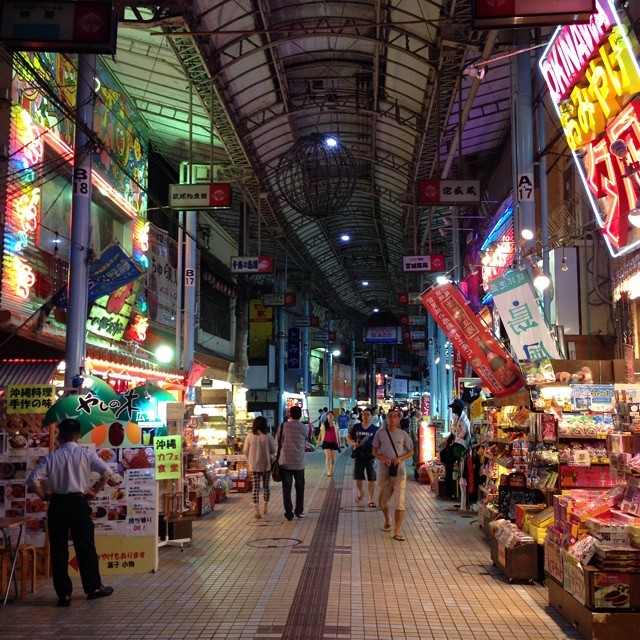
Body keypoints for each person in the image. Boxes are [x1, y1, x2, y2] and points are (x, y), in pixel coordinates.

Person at [26, 418, 114, 606]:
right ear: (79, 435)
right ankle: (93, 588)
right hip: (78, 503)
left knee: (58, 548)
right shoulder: (86, 454)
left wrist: (44, 497)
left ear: (59, 435)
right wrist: (94, 491)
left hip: (57, 504)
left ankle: (64, 594)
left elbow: (33, 481)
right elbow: (106, 472)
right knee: (85, 546)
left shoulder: (52, 456)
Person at [372, 408, 414, 541]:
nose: (392, 419)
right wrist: (382, 458)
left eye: (395, 416)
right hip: (384, 471)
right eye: (390, 416)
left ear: (399, 419)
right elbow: (374, 450)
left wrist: (400, 458)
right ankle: (387, 518)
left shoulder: (403, 434)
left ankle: (397, 530)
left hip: (400, 472)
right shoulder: (380, 433)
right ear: (386, 418)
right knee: (382, 502)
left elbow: (411, 451)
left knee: (399, 501)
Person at [276, 404, 308, 520]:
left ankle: (288, 513)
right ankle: (299, 511)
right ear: (300, 415)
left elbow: (278, 441)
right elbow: (305, 440)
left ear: (289, 414)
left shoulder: (283, 426)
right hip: (299, 462)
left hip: (285, 462)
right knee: (300, 488)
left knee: (286, 488)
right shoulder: (305, 427)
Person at [243, 415, 276, 519]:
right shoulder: (268, 436)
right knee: (266, 487)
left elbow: (245, 451)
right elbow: (273, 450)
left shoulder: (249, 437)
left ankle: (256, 509)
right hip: (266, 465)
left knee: (255, 488)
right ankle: (265, 506)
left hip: (254, 465)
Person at [346, 407, 379, 507]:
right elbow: (348, 436)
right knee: (358, 477)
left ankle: (370, 498)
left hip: (371, 455)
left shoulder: (375, 429)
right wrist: (353, 443)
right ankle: (360, 492)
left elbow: (380, 442)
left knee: (371, 478)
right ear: (361, 416)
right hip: (359, 454)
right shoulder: (356, 426)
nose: (365, 416)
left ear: (371, 417)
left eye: (368, 414)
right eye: (364, 414)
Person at [317, 411, 340, 476]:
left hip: (334, 442)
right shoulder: (324, 424)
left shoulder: (335, 424)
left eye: (331, 415)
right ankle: (328, 471)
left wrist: (339, 442)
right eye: (329, 415)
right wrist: (318, 442)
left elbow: (337, 433)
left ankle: (331, 468)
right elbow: (320, 433)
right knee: (328, 457)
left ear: (333, 416)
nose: (330, 416)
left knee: (332, 459)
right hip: (326, 442)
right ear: (327, 416)